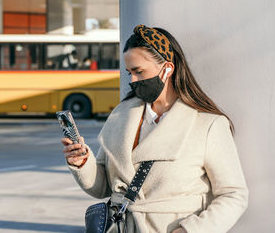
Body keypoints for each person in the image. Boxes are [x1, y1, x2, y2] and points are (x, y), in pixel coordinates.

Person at [61, 24, 248, 233]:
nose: (132, 80)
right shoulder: (120, 116)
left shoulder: (207, 125)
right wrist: (83, 162)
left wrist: (191, 230)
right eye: (129, 72)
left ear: (167, 68)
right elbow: (103, 187)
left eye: (139, 72)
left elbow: (234, 195)